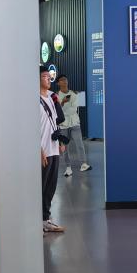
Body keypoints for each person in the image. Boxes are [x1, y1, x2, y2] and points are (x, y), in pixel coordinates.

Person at [39, 66, 64, 233]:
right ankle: (37, 222)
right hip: (43, 150)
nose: (49, 79)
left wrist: (61, 141)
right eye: (45, 76)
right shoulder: (33, 99)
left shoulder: (51, 98)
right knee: (40, 187)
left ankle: (46, 219)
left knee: (51, 187)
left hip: (54, 148)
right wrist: (38, 149)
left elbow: (55, 122)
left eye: (49, 76)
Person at [55, 75, 91, 177]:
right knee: (65, 147)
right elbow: (57, 110)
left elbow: (74, 109)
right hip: (63, 125)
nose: (64, 81)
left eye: (65, 79)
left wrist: (63, 107)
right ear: (58, 83)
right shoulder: (56, 96)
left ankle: (83, 164)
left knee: (79, 143)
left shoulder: (74, 94)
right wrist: (63, 103)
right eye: (62, 80)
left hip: (75, 123)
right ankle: (68, 168)